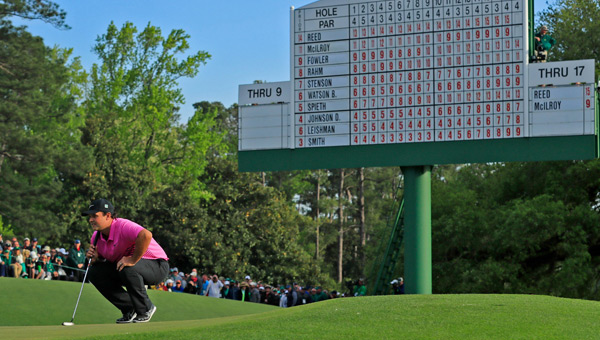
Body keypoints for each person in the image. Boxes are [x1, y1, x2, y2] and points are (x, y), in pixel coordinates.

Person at [83, 198, 169, 324]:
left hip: (157, 265)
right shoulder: (96, 237)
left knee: (127, 266)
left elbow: (146, 235)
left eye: (94, 216)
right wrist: (97, 258)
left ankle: (145, 308)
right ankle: (130, 308)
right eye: (89, 217)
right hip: (129, 268)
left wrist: (133, 259)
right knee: (94, 272)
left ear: (108, 216)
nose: (90, 220)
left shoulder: (123, 225)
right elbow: (108, 260)